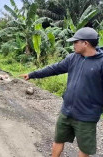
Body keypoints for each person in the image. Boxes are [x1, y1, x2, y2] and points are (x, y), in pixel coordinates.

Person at [20, 27, 103, 157]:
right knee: (58, 140)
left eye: (76, 42)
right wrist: (32, 74)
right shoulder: (73, 58)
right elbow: (54, 68)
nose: (73, 44)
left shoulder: (101, 63)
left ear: (85, 43)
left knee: (84, 149)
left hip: (87, 115)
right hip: (67, 111)